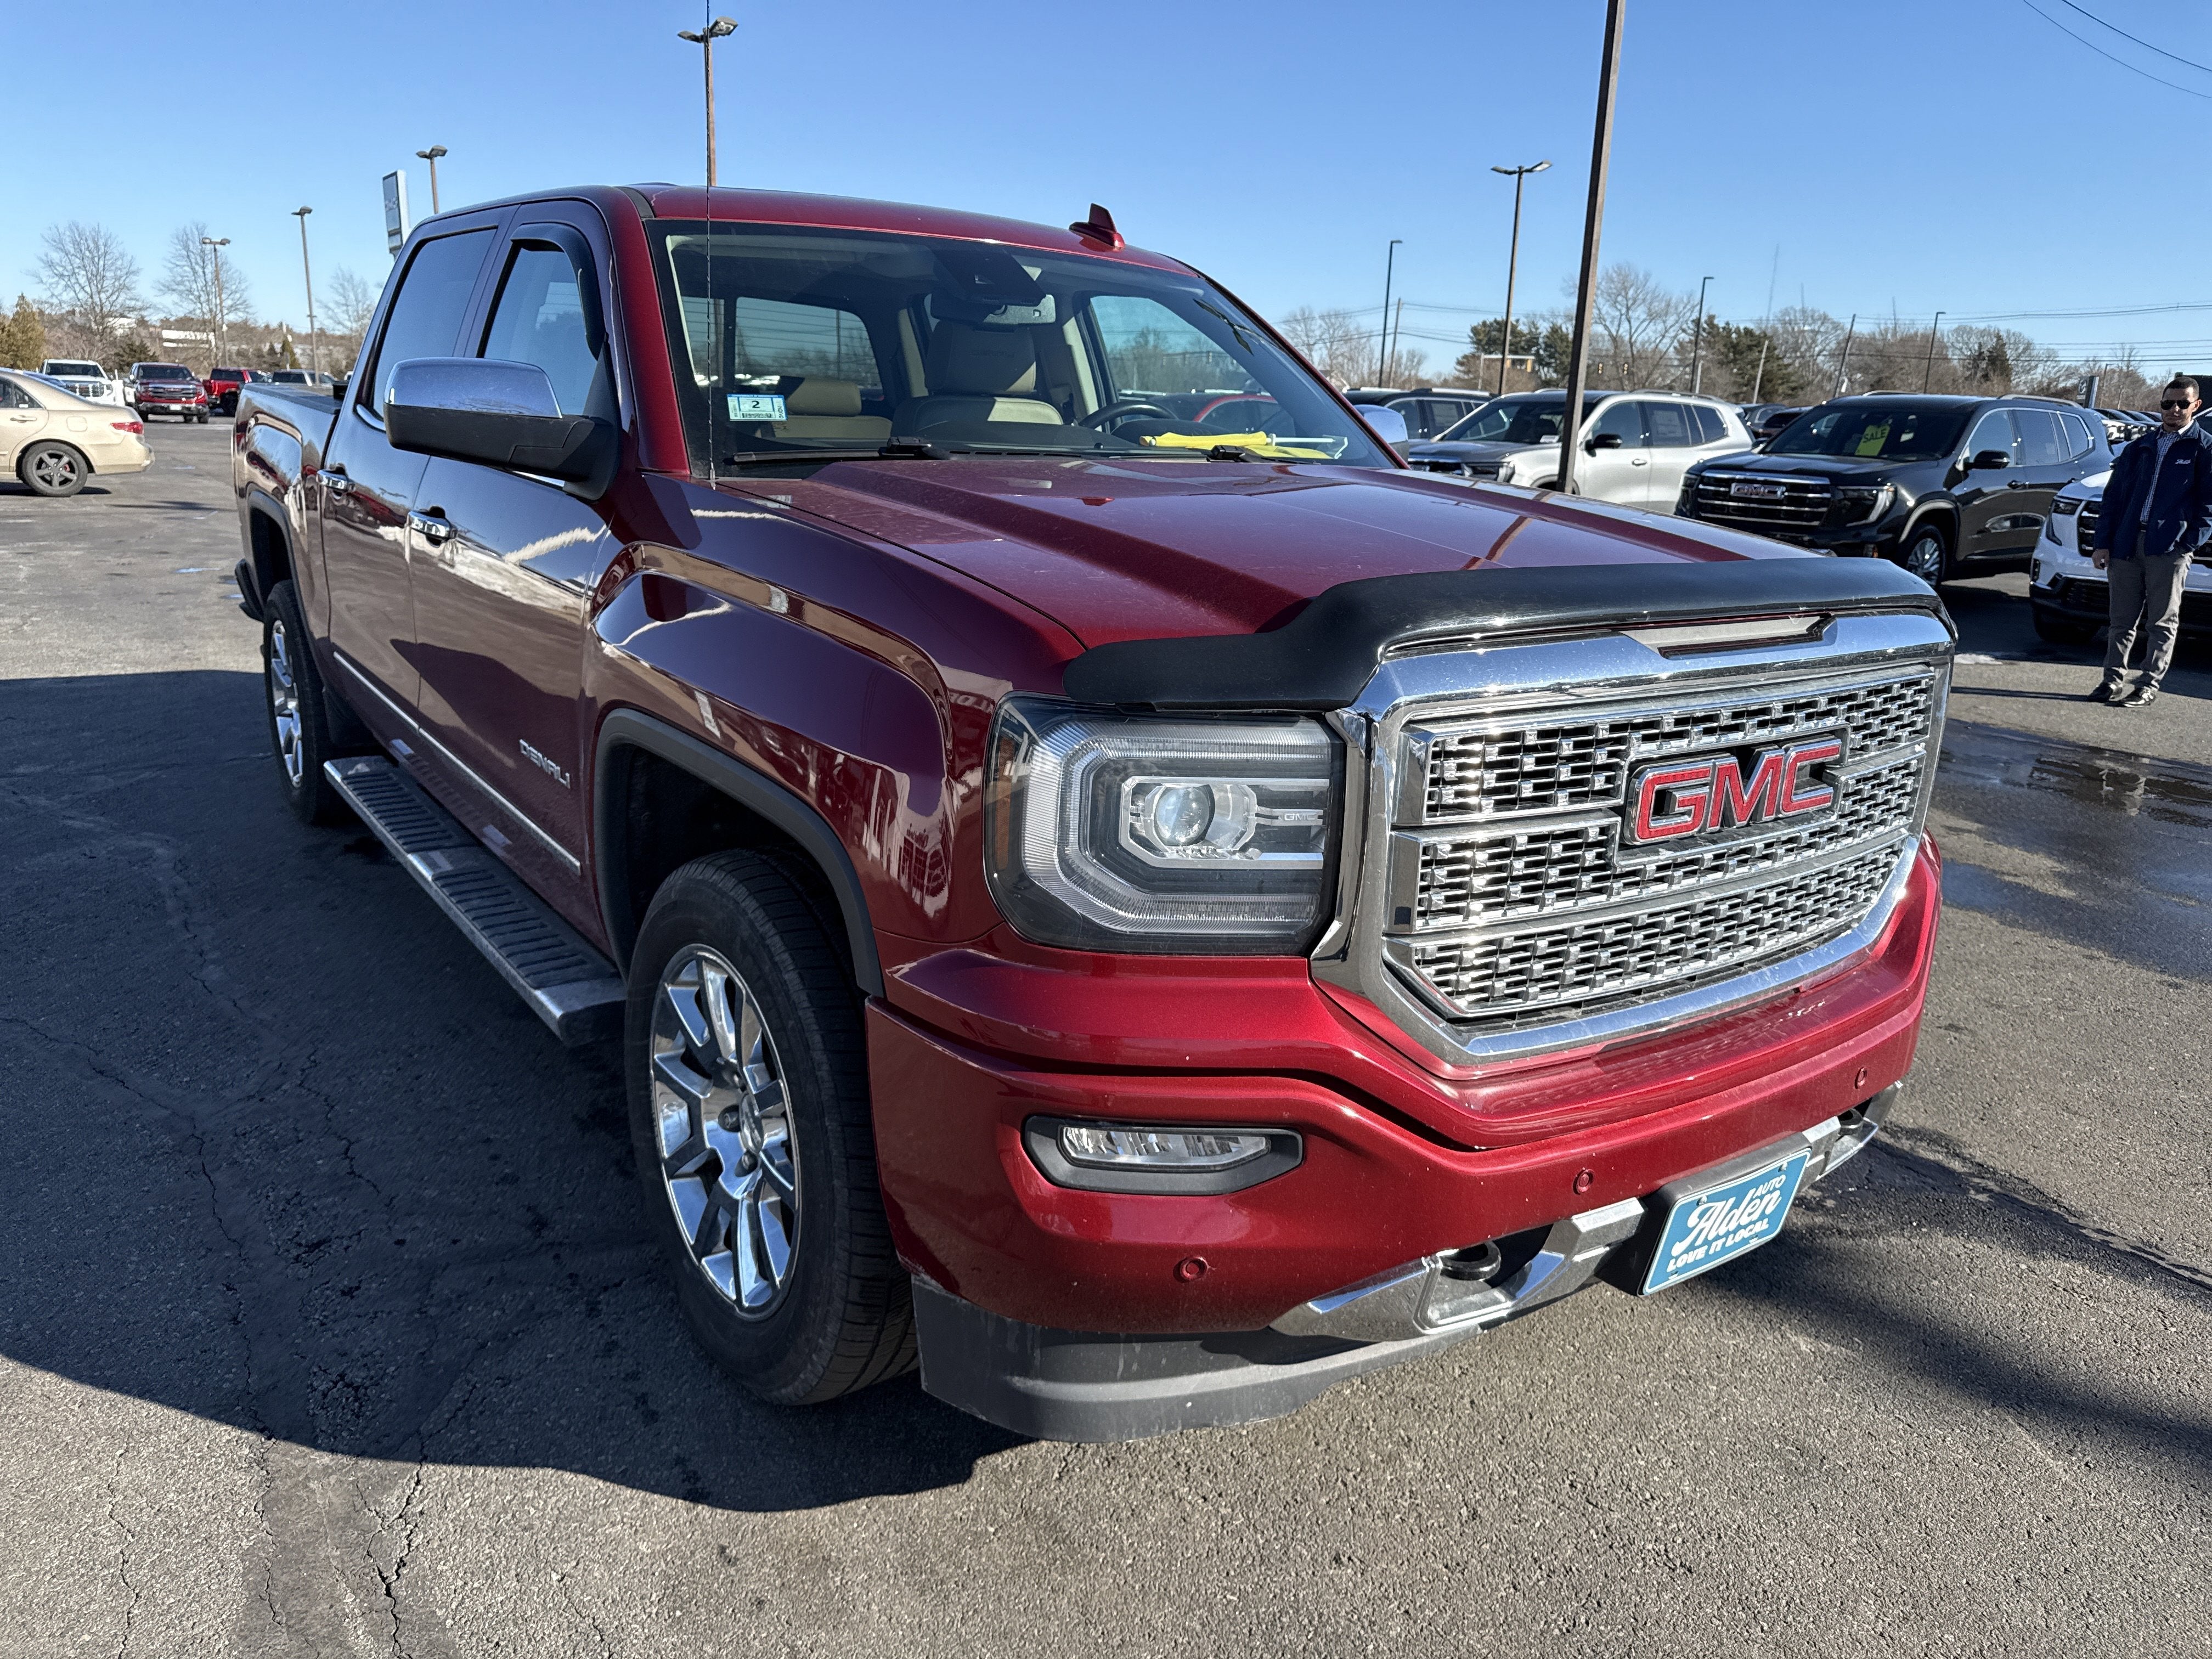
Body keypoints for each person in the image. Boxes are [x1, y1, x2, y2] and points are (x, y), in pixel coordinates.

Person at [2089, 376, 2212, 708]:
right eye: (2167, 403)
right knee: (2120, 621)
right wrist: (2104, 543)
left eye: (2182, 404)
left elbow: (2209, 505)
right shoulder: (2140, 447)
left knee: (2161, 622)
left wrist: (2188, 544)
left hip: (2169, 550)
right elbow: (2113, 498)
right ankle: (2111, 680)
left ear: (2195, 406)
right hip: (2127, 545)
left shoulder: (2204, 448)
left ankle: (2147, 684)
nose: (2174, 410)